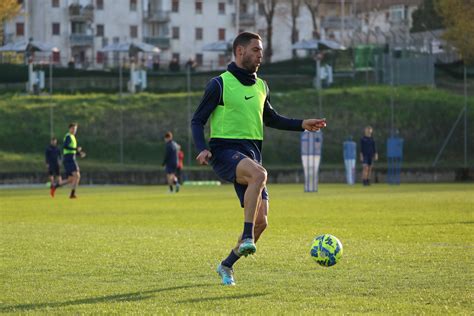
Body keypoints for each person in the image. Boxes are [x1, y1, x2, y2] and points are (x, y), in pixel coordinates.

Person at [191, 32, 327, 286]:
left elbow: (272, 119)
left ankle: (226, 265)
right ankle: (245, 236)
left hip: (251, 155)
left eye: (261, 50)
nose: (260, 54)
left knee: (262, 223)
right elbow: (197, 120)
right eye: (255, 49)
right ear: (240, 51)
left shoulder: (261, 86)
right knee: (260, 175)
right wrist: (201, 148)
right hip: (224, 152)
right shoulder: (219, 84)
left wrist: (302, 124)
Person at [50, 123, 86, 198]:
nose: (74, 130)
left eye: (75, 129)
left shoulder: (73, 137)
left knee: (70, 179)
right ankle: (72, 194)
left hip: (70, 157)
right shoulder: (68, 136)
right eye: (73, 129)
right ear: (69, 129)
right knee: (77, 176)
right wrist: (76, 149)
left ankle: (55, 186)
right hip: (69, 159)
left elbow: (71, 150)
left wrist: (79, 153)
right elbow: (65, 146)